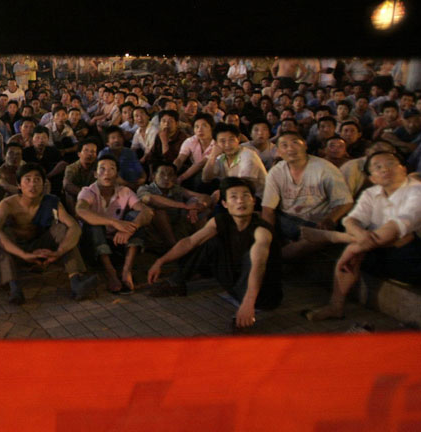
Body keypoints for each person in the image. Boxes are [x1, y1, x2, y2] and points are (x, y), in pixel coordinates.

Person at [148, 177, 283, 330]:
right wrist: (161, 261)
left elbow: (258, 265)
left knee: (251, 257)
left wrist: (248, 304)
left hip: (262, 294)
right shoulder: (221, 221)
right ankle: (177, 283)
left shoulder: (262, 230)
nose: (240, 201)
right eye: (234, 197)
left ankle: (244, 318)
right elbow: (190, 242)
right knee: (210, 241)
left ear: (253, 201)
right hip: (235, 283)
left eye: (246, 196)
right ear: (225, 204)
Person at [303, 151, 421, 321]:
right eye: (378, 167)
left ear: (403, 169)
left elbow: (394, 230)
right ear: (373, 178)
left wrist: (340, 240)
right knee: (356, 249)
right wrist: (356, 240)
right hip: (377, 251)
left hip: (410, 257)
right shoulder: (371, 193)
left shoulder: (416, 191)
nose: (385, 169)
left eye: (390, 163)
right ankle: (336, 307)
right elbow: (351, 220)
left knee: (356, 249)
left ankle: (335, 239)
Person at [0, 163, 98, 304]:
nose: (32, 184)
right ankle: (14, 288)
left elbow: (74, 227)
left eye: (37, 180)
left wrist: (59, 252)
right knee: (4, 235)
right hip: (17, 249)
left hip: (40, 245)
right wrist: (24, 255)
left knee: (62, 229)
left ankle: (76, 282)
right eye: (27, 180)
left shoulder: (51, 201)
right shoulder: (7, 204)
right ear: (19, 185)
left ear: (43, 184)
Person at [261, 131, 354, 259]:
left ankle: (276, 259)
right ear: (279, 151)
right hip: (285, 219)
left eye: (295, 143)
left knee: (320, 238)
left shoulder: (324, 168)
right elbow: (268, 209)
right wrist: (269, 235)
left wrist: (330, 219)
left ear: (305, 145)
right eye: (284, 145)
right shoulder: (276, 172)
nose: (290, 148)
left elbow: (345, 202)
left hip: (315, 222)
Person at [76, 154, 153, 293]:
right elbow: (80, 210)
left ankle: (126, 271)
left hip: (117, 243)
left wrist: (131, 228)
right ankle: (111, 273)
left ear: (117, 174)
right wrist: (113, 222)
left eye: (111, 169)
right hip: (93, 246)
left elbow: (147, 212)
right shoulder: (87, 191)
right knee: (93, 222)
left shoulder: (125, 191)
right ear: (95, 174)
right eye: (102, 169)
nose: (107, 173)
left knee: (135, 216)